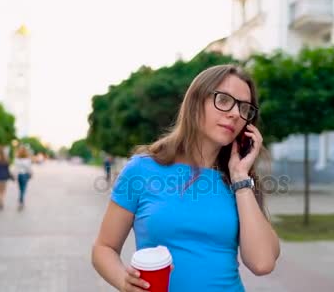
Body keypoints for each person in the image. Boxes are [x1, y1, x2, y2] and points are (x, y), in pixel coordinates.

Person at [92, 64, 280, 291]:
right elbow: (104, 247)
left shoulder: (238, 181)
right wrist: (124, 281)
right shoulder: (141, 170)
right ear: (195, 102)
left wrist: (240, 177)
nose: (234, 113)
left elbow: (262, 262)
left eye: (244, 108)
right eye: (223, 100)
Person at [14, 146, 32, 211]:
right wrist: (31, 173)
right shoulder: (27, 159)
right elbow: (29, 168)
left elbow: (16, 168)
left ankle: (21, 200)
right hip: (25, 175)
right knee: (23, 189)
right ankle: (21, 200)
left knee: (21, 188)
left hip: (19, 175)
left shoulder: (17, 159)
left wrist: (15, 175)